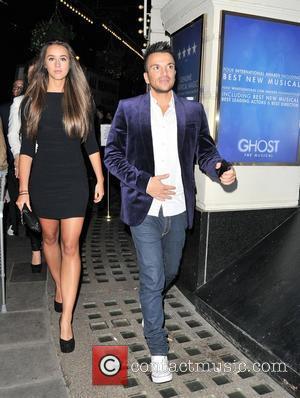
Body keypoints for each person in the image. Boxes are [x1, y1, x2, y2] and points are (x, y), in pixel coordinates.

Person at [104, 41, 236, 383]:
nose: (165, 72)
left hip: (178, 209)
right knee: (152, 275)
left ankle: (150, 301)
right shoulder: (129, 109)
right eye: (157, 67)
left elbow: (205, 151)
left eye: (170, 67)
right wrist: (144, 182)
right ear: (147, 75)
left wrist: (220, 167)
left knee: (169, 272)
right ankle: (158, 350)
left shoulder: (192, 112)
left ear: (175, 73)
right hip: (144, 208)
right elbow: (113, 156)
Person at [16, 40, 105, 353]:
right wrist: (23, 189)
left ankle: (65, 318)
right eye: (51, 59)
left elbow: (91, 143)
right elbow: (26, 150)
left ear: (71, 63)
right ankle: (59, 284)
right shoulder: (33, 102)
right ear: (44, 64)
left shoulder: (80, 99)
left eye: (63, 58)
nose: (57, 64)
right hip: (42, 180)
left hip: (74, 180)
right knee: (50, 239)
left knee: (71, 245)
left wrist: (100, 178)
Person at [8, 58, 43, 272]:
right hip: (27, 160)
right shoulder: (20, 103)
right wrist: (18, 158)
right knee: (29, 206)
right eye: (32, 75)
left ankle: (49, 242)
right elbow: (13, 134)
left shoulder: (52, 100)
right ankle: (35, 248)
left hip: (49, 161)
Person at [0, 77, 25, 236]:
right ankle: (14, 225)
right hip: (8, 158)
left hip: (24, 156)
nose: (18, 88)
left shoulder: (25, 104)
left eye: (21, 86)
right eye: (15, 86)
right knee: (14, 193)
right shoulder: (3, 108)